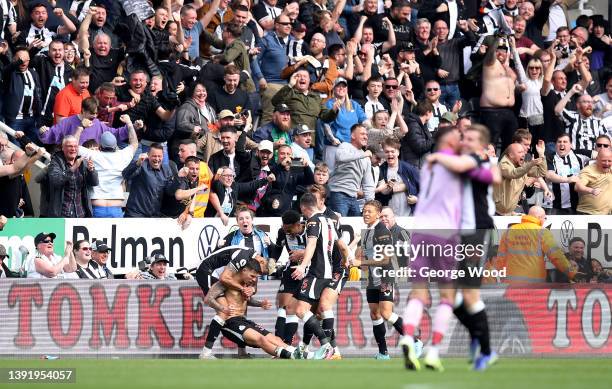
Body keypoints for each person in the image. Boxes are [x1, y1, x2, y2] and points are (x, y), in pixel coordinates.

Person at [398, 126, 466, 372]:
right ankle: (433, 351)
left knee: (419, 292)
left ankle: (407, 336)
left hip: (420, 232)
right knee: (447, 297)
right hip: (445, 234)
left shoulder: (427, 166)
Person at [203, 257, 302, 359]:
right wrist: (222, 308)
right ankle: (291, 355)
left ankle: (297, 353)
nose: (254, 280)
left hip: (243, 321)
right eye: (252, 276)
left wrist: (260, 304)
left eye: (256, 277)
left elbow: (245, 300)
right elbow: (208, 299)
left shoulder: (246, 284)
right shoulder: (226, 281)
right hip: (230, 323)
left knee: (276, 339)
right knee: (261, 339)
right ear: (244, 270)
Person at [194, 245, 269, 359]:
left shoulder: (253, 263)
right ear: (262, 261)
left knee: (241, 302)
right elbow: (224, 278)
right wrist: (243, 289)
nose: (257, 278)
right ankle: (205, 352)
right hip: (208, 270)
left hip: (220, 275)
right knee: (223, 310)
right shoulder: (243, 256)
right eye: (260, 273)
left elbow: (253, 288)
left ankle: (242, 352)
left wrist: (251, 290)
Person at [290, 193, 339, 360]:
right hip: (327, 271)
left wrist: (303, 266)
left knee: (300, 310)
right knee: (313, 312)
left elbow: (311, 244)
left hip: (316, 272)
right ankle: (303, 347)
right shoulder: (329, 221)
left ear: (304, 207)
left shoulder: (312, 221)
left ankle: (326, 346)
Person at [353, 200, 403, 360]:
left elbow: (386, 259)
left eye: (370, 211)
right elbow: (361, 256)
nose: (366, 214)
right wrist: (357, 259)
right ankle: (383, 352)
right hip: (372, 278)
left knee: (386, 313)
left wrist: (361, 262)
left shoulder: (382, 230)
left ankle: (415, 340)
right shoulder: (367, 231)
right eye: (364, 211)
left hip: (385, 277)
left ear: (378, 214)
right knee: (375, 314)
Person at [75, 115, 139, 218]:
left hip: (97, 208)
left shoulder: (94, 155)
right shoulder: (122, 155)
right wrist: (129, 123)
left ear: (100, 146)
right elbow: (134, 143)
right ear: (115, 146)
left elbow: (74, 146)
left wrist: (81, 127)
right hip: (116, 209)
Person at [495, 205, 576, 284]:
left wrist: (503, 279)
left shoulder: (509, 231)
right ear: (539, 217)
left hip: (511, 284)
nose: (545, 220)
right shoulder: (543, 232)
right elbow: (557, 257)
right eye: (545, 218)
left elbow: (500, 258)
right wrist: (572, 273)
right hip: (534, 285)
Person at [269, 210, 306, 345]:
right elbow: (278, 248)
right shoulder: (282, 231)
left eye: (289, 230)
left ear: (298, 225)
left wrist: (302, 254)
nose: (287, 232)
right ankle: (278, 345)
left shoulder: (311, 231)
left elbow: (320, 250)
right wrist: (272, 260)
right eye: (285, 230)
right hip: (291, 269)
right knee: (283, 305)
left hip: (309, 272)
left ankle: (288, 344)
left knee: (294, 309)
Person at [479, 37, 518, 151]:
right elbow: (491, 53)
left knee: (511, 146)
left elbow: (514, 78)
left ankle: (507, 168)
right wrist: (498, 39)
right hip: (492, 112)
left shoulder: (506, 67)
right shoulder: (490, 63)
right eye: (498, 49)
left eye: (504, 50)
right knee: (490, 147)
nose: (500, 52)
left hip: (509, 111)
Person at [327, 124, 375, 216]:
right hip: (338, 194)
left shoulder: (366, 158)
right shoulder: (345, 146)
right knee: (339, 225)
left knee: (356, 227)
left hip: (354, 197)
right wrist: (364, 154)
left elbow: (368, 183)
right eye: (362, 134)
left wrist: (371, 204)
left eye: (366, 135)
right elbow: (341, 157)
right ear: (353, 135)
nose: (365, 137)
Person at [46, 134, 98, 217]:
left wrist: (91, 170)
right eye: (70, 146)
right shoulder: (55, 162)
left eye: (75, 146)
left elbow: (94, 183)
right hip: (62, 214)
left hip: (81, 213)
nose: (73, 149)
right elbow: (56, 181)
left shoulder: (82, 162)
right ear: (63, 148)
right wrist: (73, 168)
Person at [39, 97, 130, 145]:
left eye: (96, 113)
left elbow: (114, 133)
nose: (94, 116)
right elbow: (51, 134)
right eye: (91, 113)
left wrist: (131, 127)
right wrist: (43, 132)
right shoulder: (68, 122)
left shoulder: (97, 124)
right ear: (83, 110)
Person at [123, 143, 178, 218]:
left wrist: (179, 179)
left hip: (154, 215)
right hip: (135, 214)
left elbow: (170, 191)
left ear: (163, 156)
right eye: (154, 156)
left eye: (159, 156)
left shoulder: (166, 170)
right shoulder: (141, 165)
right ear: (148, 155)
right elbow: (126, 175)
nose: (157, 159)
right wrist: (137, 164)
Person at [493, 141, 547, 215]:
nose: (524, 154)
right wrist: (530, 164)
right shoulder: (503, 164)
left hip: (508, 213)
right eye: (520, 152)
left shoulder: (521, 165)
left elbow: (541, 172)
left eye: (523, 152)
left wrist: (541, 155)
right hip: (495, 213)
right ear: (511, 155)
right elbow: (514, 173)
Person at [555, 84, 607, 155]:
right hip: (574, 158)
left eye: (591, 102)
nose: (589, 105)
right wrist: (571, 92)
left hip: (593, 160)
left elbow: (607, 141)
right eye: (586, 102)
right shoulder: (572, 117)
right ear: (578, 105)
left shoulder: (598, 122)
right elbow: (557, 110)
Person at [544, 133, 588, 215]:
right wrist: (568, 179)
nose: (562, 144)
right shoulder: (549, 157)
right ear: (555, 144)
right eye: (559, 142)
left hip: (576, 206)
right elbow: (549, 175)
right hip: (554, 206)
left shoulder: (579, 155)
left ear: (571, 144)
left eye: (565, 142)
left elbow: (600, 155)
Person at [375, 137, 419, 216]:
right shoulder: (380, 170)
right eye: (387, 152)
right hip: (388, 217)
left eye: (392, 151)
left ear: (398, 152)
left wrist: (417, 199)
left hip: (409, 215)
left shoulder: (409, 169)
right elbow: (378, 195)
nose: (390, 154)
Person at [574, 148, 612, 215]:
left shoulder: (610, 168)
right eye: (604, 161)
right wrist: (592, 190)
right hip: (588, 214)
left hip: (607, 215)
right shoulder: (588, 171)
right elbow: (577, 186)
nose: (607, 163)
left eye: (609, 161)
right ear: (597, 159)